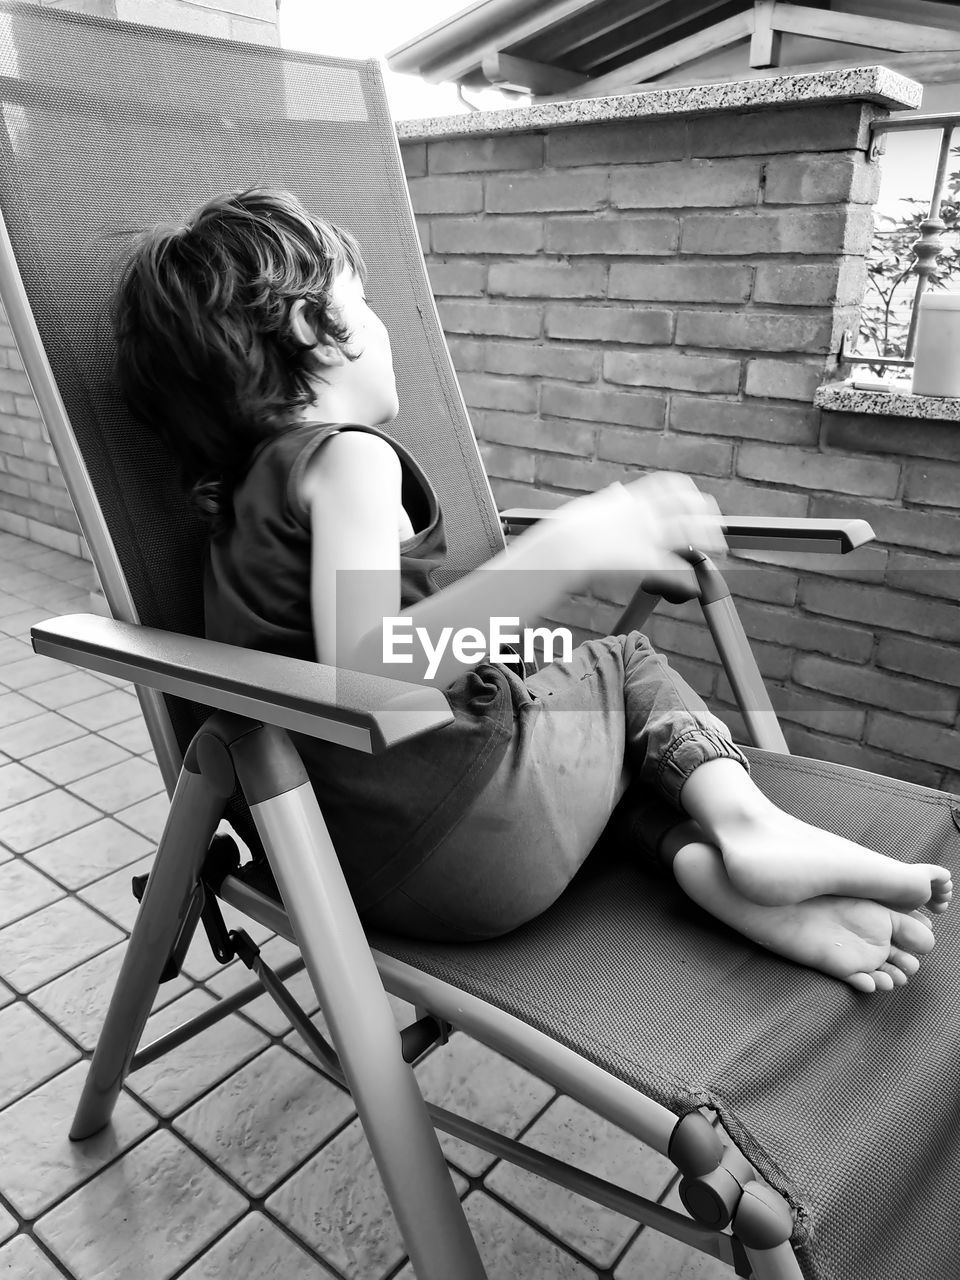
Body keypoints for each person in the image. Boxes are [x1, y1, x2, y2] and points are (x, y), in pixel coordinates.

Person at [114, 187, 951, 994]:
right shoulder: (347, 459)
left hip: (349, 868)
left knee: (580, 721)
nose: (381, 320)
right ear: (315, 327)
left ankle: (700, 864)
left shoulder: (237, 519)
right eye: (361, 300)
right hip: (469, 829)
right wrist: (574, 545)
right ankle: (752, 829)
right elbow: (369, 669)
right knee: (620, 664)